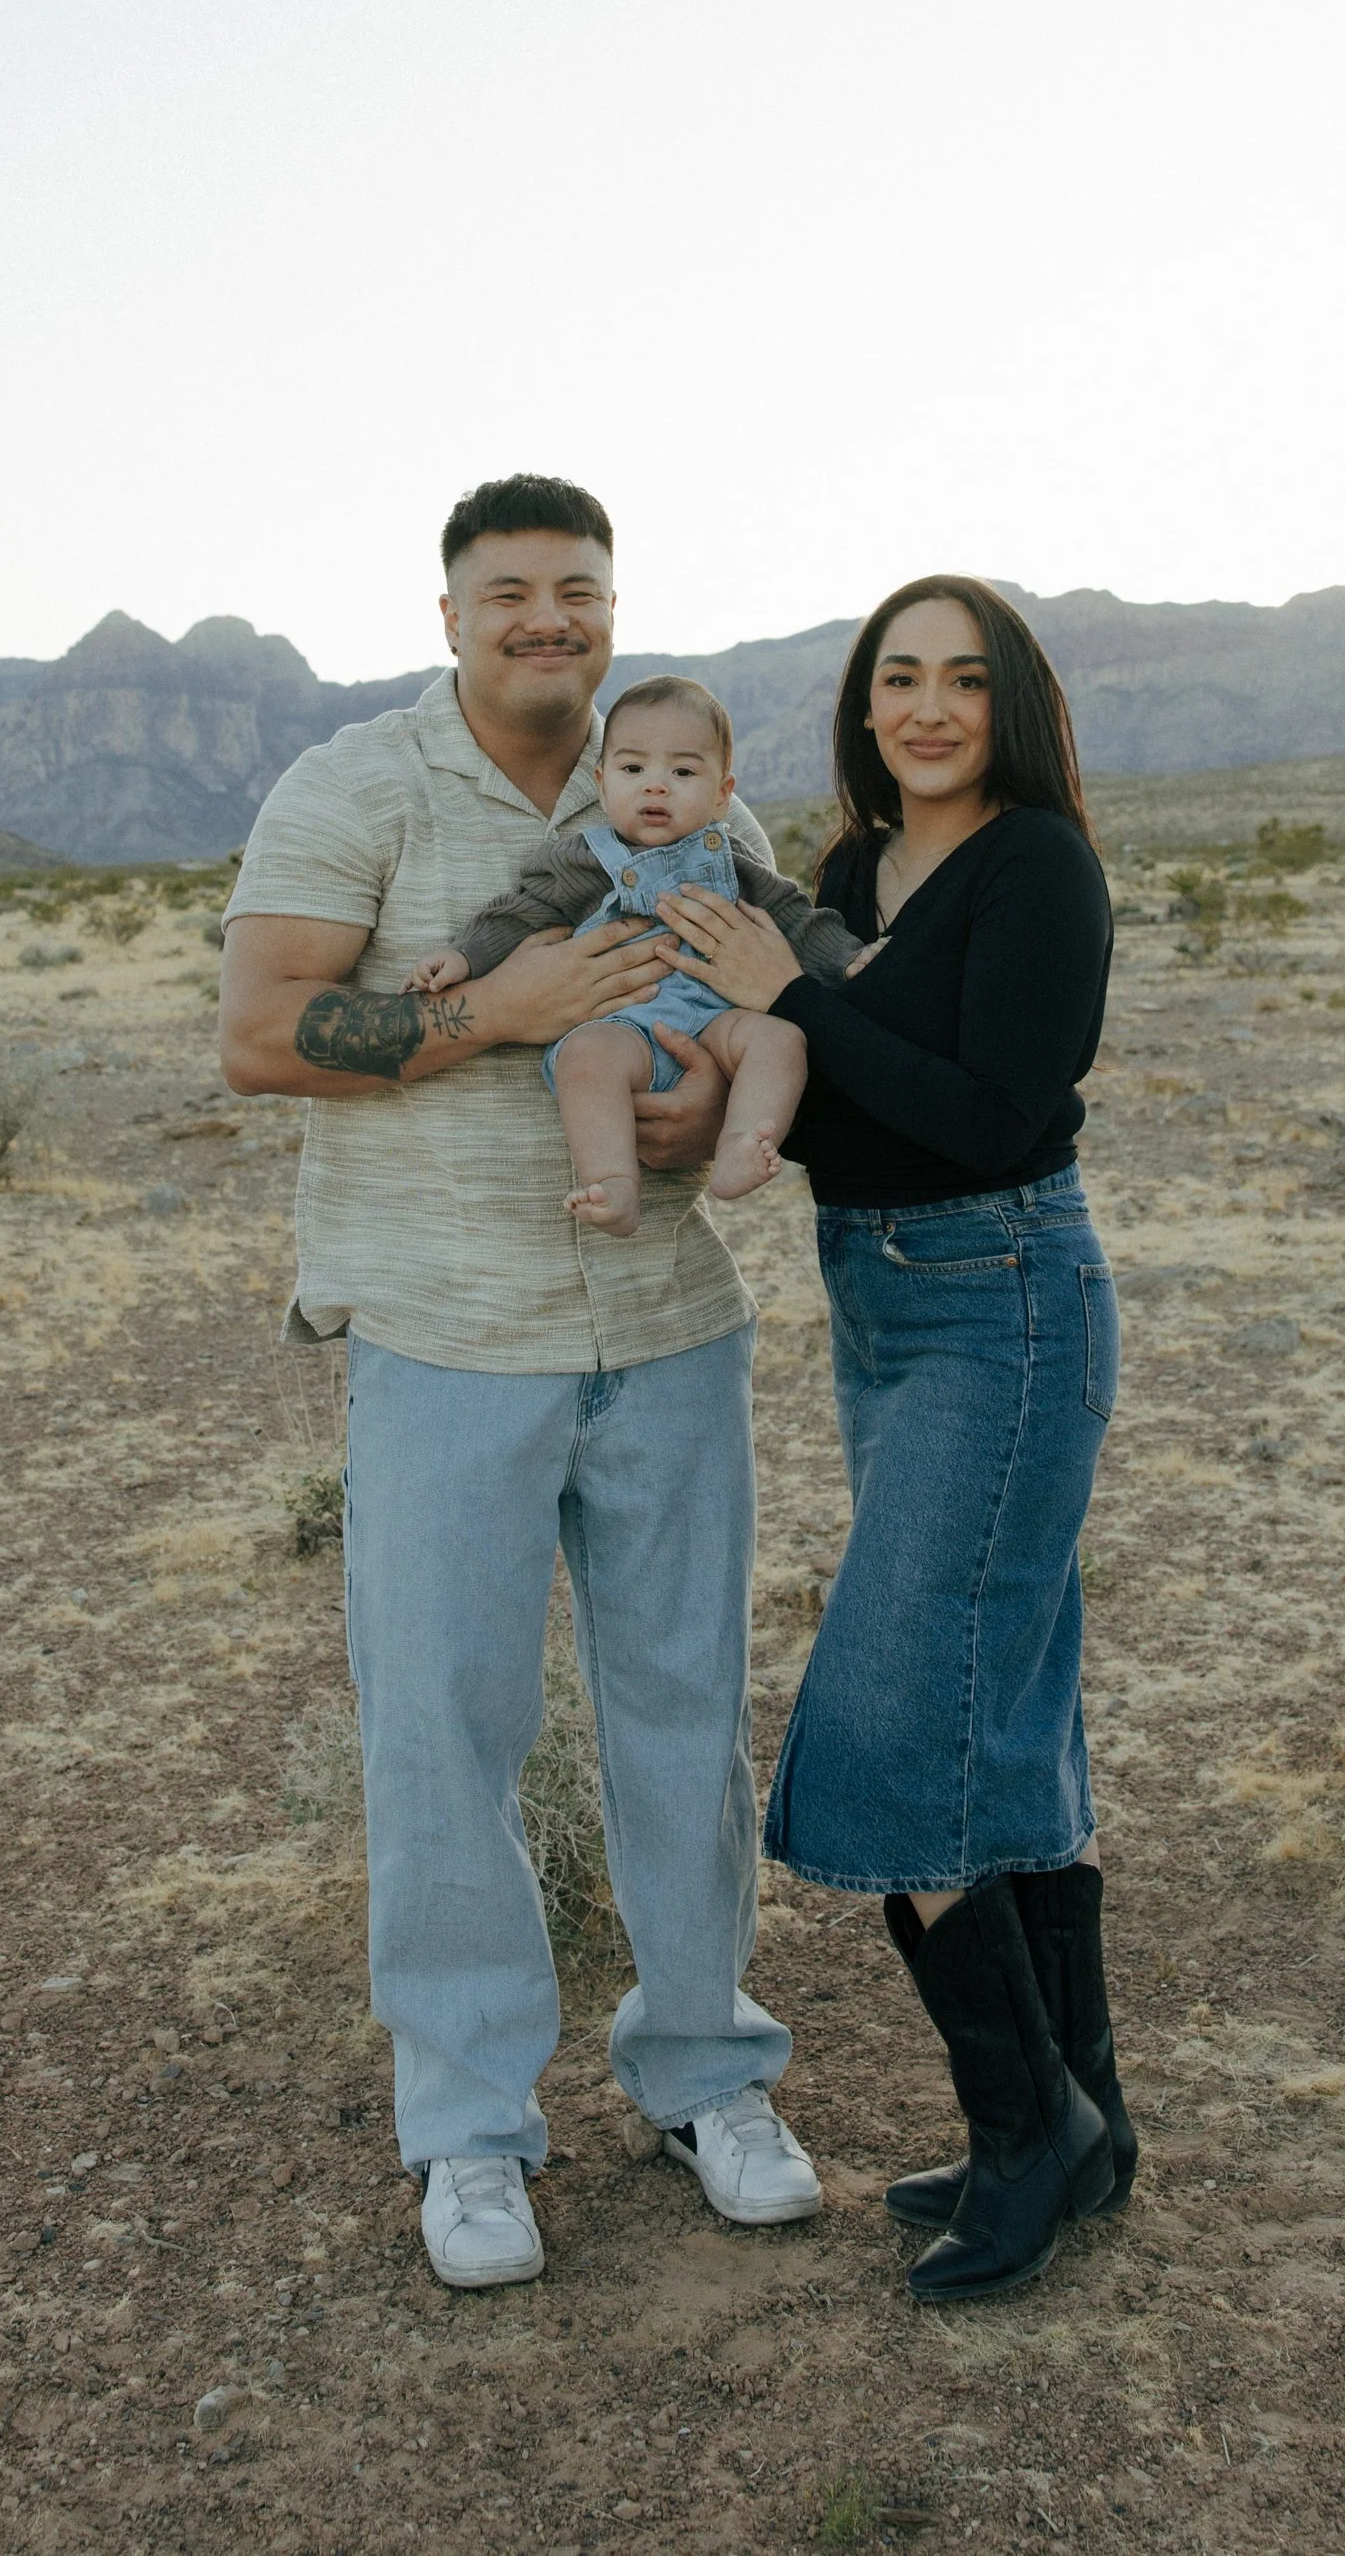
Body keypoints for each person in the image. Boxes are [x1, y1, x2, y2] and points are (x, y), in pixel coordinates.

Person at [217, 476, 822, 2293]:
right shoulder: (357, 788)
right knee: (443, 1734)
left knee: (684, 1716)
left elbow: (773, 1001)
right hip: (444, 1336)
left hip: (668, 1329)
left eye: (579, 590)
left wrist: (704, 1105)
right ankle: (471, 2125)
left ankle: (708, 2071)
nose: (548, 619)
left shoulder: (690, 787)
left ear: (612, 611)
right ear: (452, 615)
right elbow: (258, 1035)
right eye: (511, 593)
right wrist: (495, 1009)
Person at [646, 574, 1135, 2306]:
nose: (928, 707)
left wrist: (799, 995)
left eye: (964, 679)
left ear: (1013, 703)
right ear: (864, 704)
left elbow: (992, 1113)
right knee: (1004, 1708)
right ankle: (1088, 2123)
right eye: (899, 677)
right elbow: (828, 1085)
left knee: (888, 1720)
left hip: (1005, 1295)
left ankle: (1028, 2132)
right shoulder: (850, 876)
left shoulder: (1038, 868)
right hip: (883, 1300)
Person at [407, 673, 869, 1236]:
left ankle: (740, 1143)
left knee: (781, 1039)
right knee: (585, 1059)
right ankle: (613, 1182)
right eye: (633, 770)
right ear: (602, 785)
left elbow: (794, 918)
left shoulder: (733, 862)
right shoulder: (583, 860)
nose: (656, 787)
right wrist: (463, 957)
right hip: (624, 1024)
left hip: (716, 1020)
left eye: (683, 773)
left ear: (722, 794)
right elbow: (521, 913)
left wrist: (847, 957)